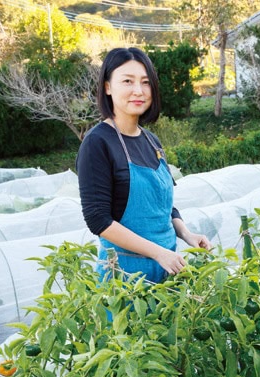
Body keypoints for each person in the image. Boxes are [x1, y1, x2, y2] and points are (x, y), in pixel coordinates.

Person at [77, 47, 210, 283]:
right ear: (107, 86)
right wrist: (158, 253)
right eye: (127, 81)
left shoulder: (151, 141)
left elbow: (164, 206)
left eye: (145, 82)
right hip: (125, 278)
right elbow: (98, 219)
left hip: (167, 272)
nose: (138, 91)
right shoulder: (97, 143)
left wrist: (187, 234)